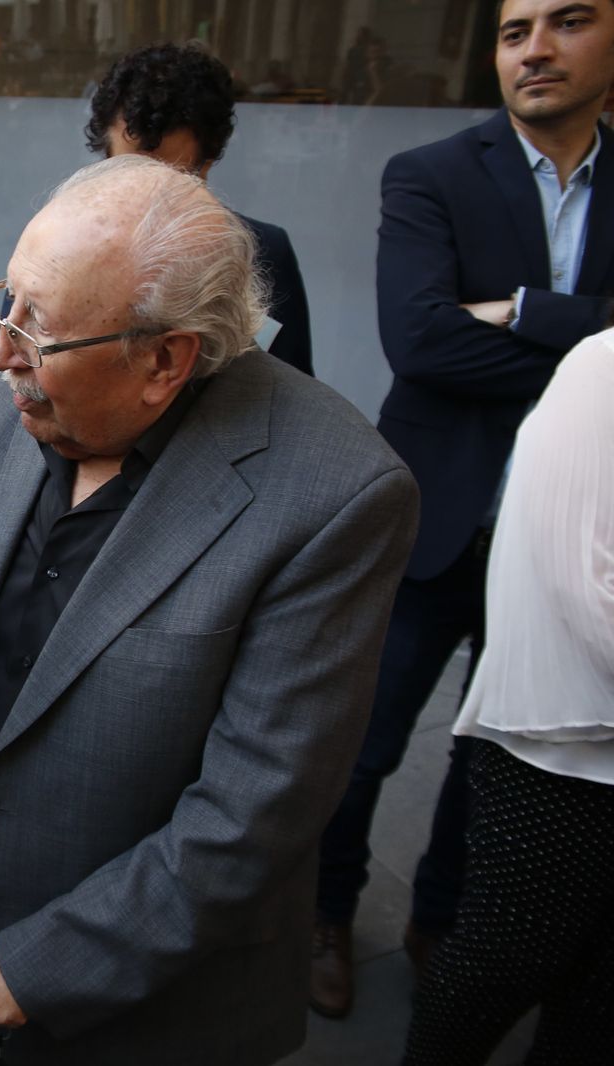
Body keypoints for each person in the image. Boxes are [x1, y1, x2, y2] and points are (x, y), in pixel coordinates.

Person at [0, 154, 420, 1065]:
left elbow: (250, 818)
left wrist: (42, 963)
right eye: (8, 303)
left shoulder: (336, 496)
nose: (2, 351)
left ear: (164, 360)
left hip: (147, 997)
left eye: (37, 330)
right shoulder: (40, 379)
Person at [311, 0, 614, 1018]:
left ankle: (437, 918)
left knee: (496, 755)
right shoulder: (431, 173)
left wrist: (528, 312)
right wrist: (589, 346)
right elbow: (422, 344)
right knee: (360, 745)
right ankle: (324, 917)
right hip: (434, 515)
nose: (533, 48)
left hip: (566, 537)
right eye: (512, 29)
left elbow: (475, 343)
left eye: (566, 21)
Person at [398, 326, 614, 1065]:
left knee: (598, 1001)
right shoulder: (600, 369)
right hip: (567, 749)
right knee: (496, 971)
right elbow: (588, 593)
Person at [85, 41, 314, 375]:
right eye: (127, 172)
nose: (141, 197)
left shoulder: (263, 253)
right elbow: (16, 390)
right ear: (104, 157)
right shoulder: (55, 250)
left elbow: (295, 397)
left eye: (167, 179)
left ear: (206, 165)